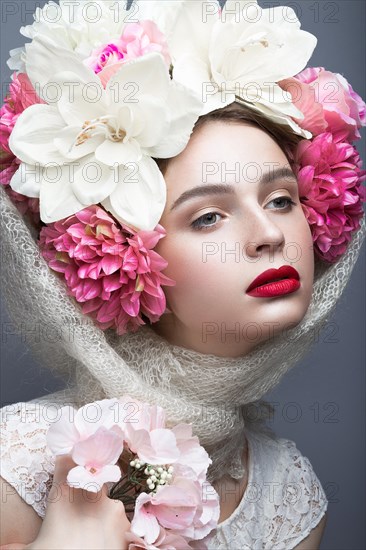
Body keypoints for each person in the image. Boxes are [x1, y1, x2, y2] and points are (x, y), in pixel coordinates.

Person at [0, 1, 365, 549]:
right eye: (209, 216)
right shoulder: (17, 461)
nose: (269, 232)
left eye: (283, 198)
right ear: (117, 256)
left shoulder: (291, 497)